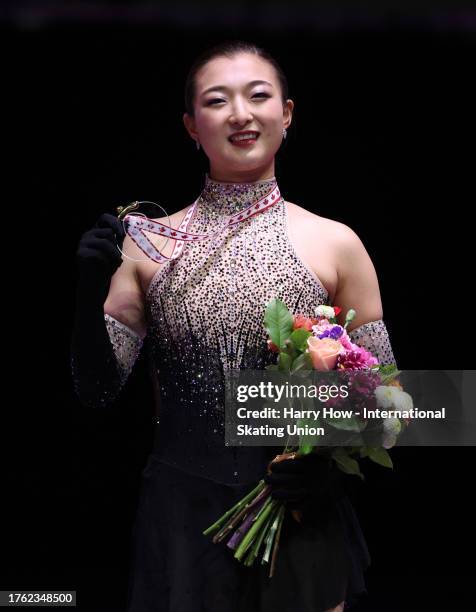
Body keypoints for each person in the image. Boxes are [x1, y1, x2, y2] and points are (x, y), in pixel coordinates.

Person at [71, 40, 397, 612]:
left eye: (259, 96)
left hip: (299, 512)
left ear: (288, 114)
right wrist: (84, 295)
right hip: (180, 514)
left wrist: (324, 466)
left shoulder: (337, 242)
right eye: (217, 101)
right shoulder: (146, 248)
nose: (241, 114)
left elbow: (391, 407)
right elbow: (97, 392)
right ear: (192, 126)